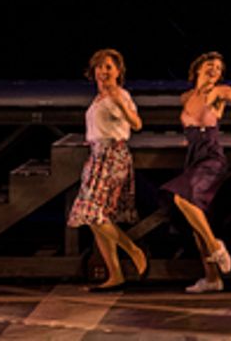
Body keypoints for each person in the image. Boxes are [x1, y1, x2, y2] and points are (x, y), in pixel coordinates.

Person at [162, 50, 231, 293]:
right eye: (210, 65)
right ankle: (212, 279)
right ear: (197, 68)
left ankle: (216, 247)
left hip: (211, 158)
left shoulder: (217, 93)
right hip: (193, 158)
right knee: (197, 224)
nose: (214, 70)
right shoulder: (186, 97)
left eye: (218, 68)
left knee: (182, 199)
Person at [68, 49, 149, 291]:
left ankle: (133, 250)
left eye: (109, 66)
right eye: (100, 66)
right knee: (95, 218)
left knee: (91, 212)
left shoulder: (120, 95)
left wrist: (119, 103)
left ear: (118, 72)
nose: (104, 70)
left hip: (112, 156)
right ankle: (115, 274)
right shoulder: (98, 99)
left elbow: (136, 123)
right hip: (97, 156)